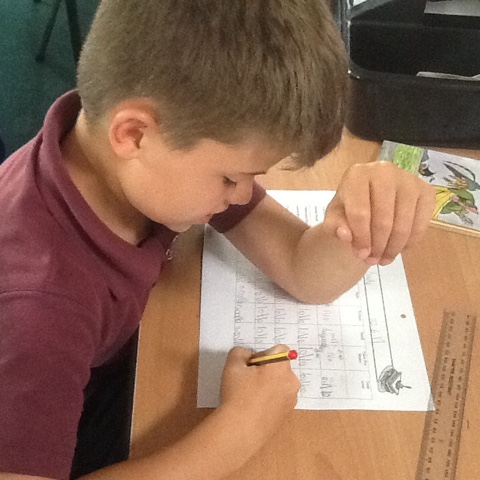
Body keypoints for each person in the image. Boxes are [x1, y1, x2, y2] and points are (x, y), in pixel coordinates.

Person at [0, 1, 435, 479]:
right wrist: (240, 430)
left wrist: (353, 224)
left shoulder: (144, 153)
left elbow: (301, 270)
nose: (243, 195)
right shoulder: (41, 310)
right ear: (134, 135)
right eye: (231, 178)